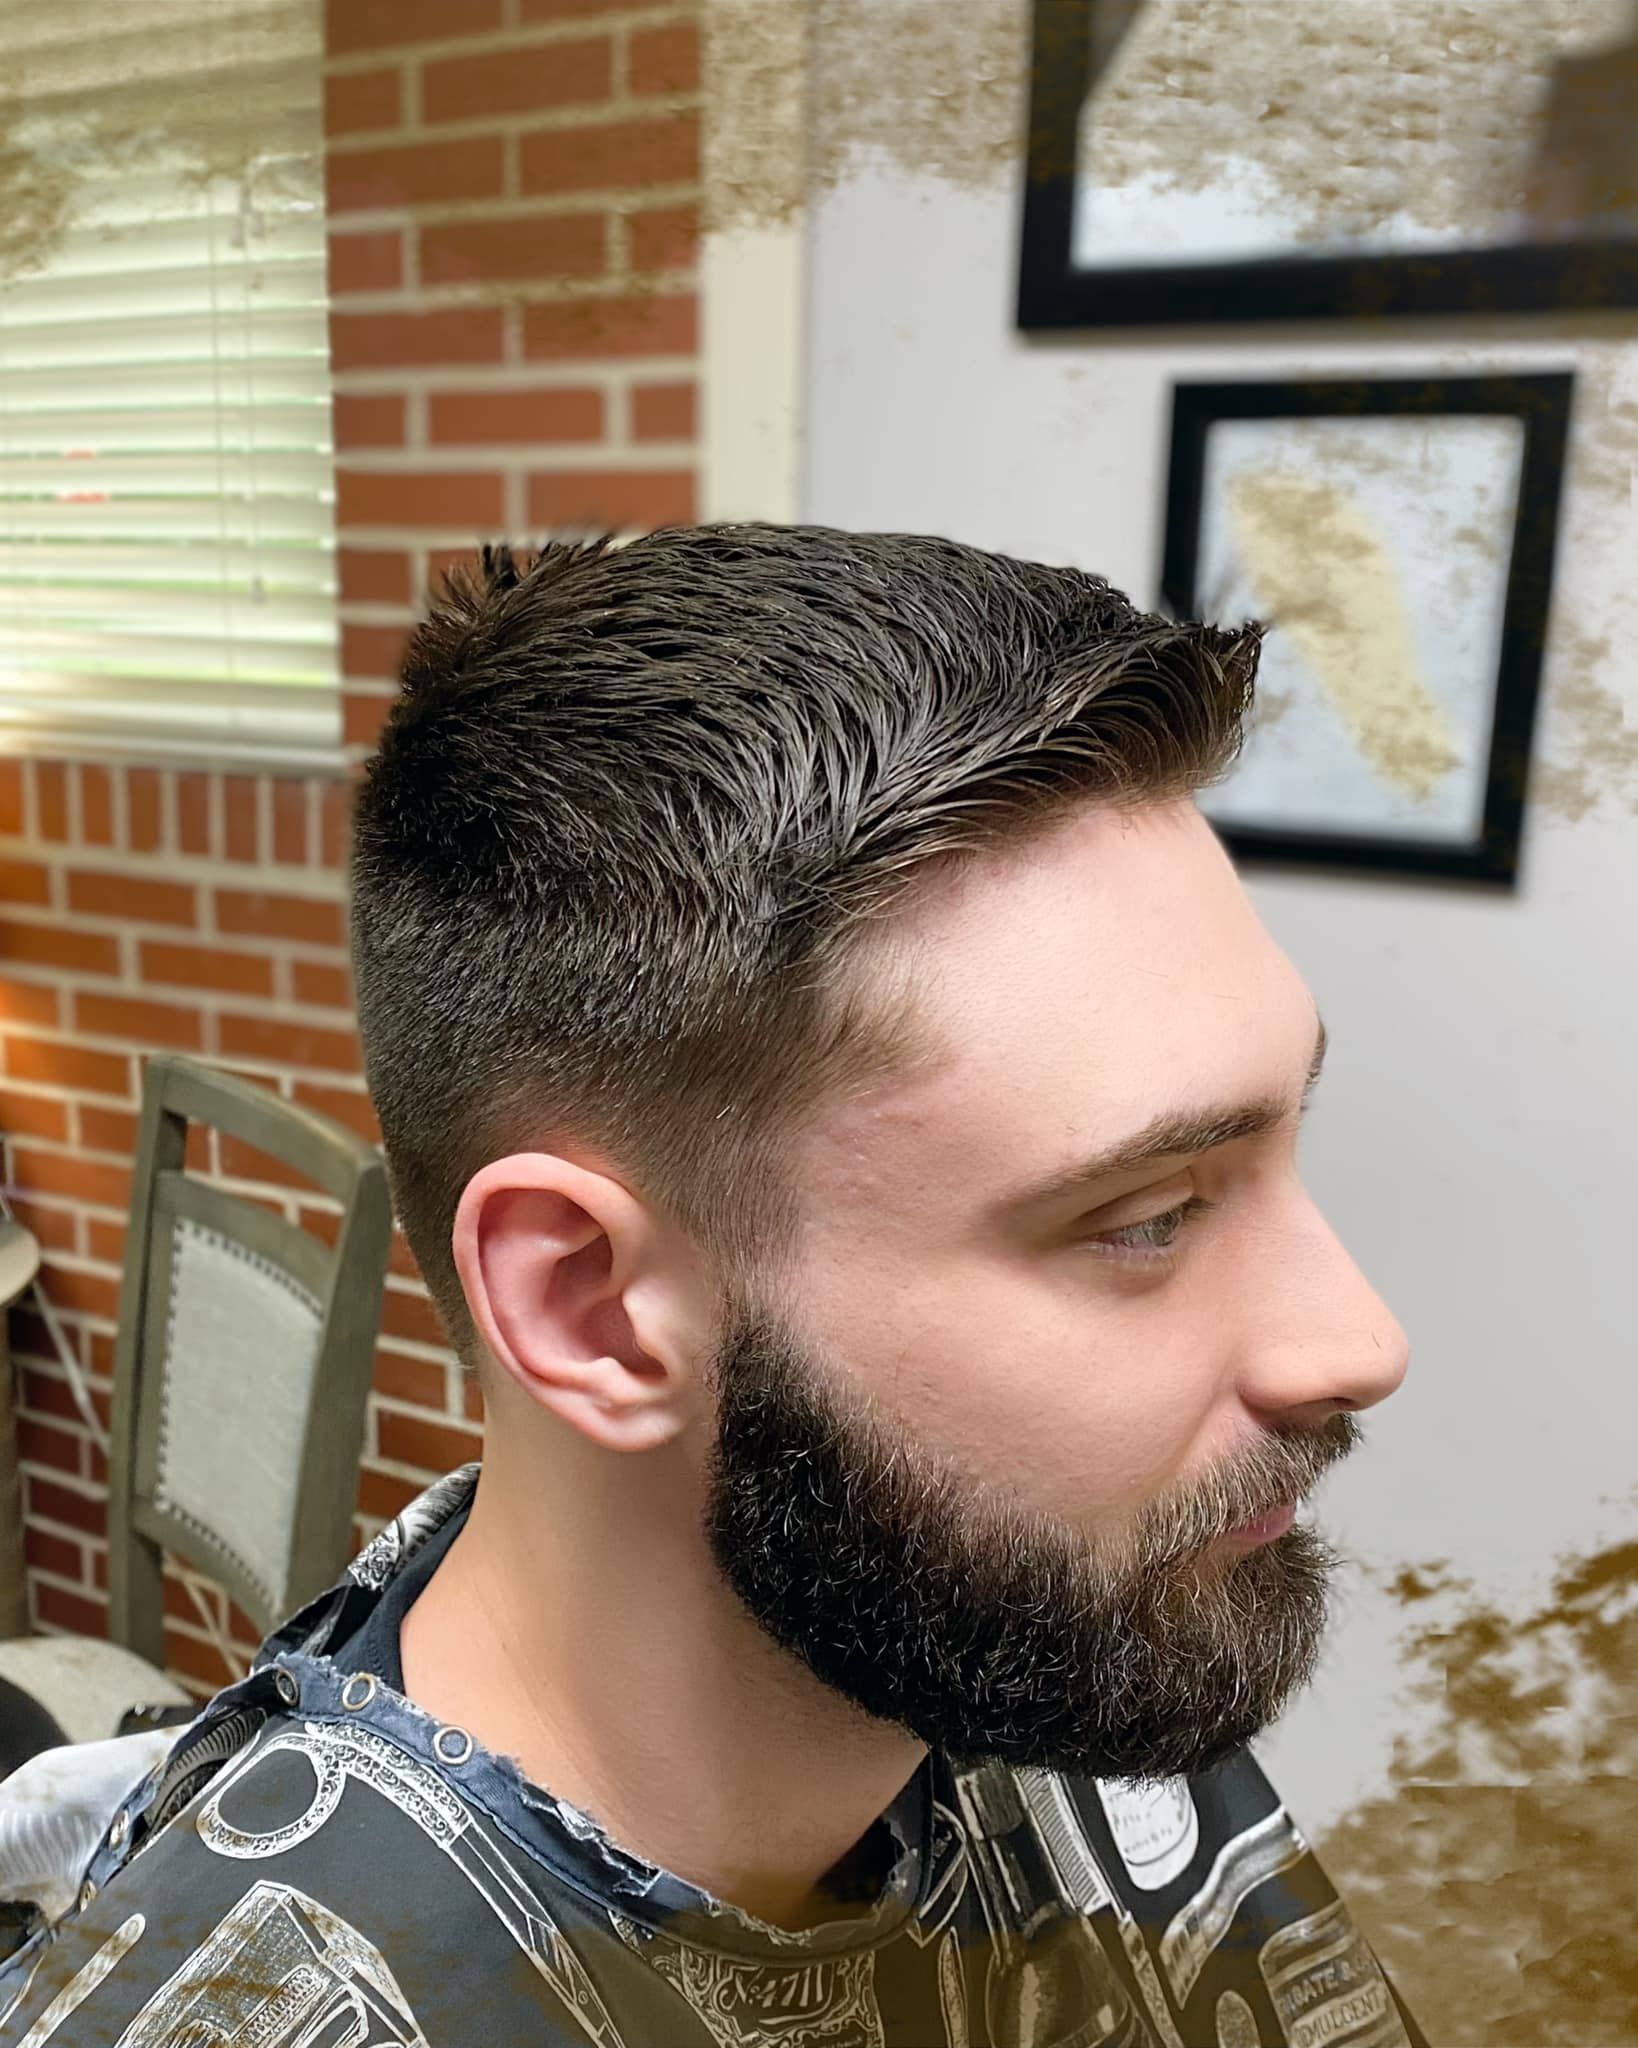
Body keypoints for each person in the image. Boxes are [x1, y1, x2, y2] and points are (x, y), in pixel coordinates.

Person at [0, 525, 1428, 2047]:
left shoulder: (1067, 1626)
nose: (1357, 1343)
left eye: (1286, 1145)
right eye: (1148, 1217)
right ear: (594, 1312)